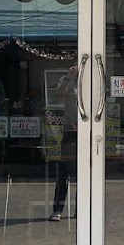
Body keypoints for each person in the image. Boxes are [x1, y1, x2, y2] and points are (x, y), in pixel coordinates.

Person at [49, 63, 79, 221]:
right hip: (69, 130)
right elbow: (58, 97)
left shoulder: (93, 80)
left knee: (85, 174)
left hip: (88, 132)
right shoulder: (67, 80)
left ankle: (82, 209)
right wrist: (69, 77)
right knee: (63, 172)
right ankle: (57, 209)